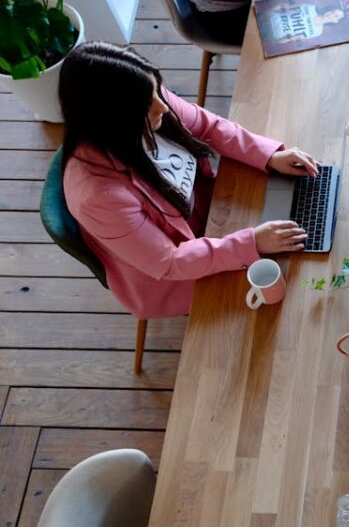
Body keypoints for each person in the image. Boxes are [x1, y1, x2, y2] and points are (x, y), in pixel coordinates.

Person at [60, 41, 319, 320]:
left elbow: (208, 126)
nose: (164, 106)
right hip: (174, 274)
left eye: (157, 90)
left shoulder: (143, 99)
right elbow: (169, 262)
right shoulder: (98, 197)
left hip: (212, 214)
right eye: (150, 104)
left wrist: (269, 155)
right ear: (113, 119)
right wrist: (251, 242)